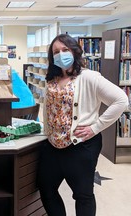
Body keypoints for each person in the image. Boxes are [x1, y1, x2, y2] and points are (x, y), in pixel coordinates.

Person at [37, 34, 128, 216]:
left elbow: (121, 100)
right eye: (56, 52)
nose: (61, 54)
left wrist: (95, 127)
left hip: (80, 145)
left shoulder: (89, 77)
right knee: (46, 190)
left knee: (83, 195)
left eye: (65, 50)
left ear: (75, 51)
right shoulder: (51, 80)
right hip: (53, 145)